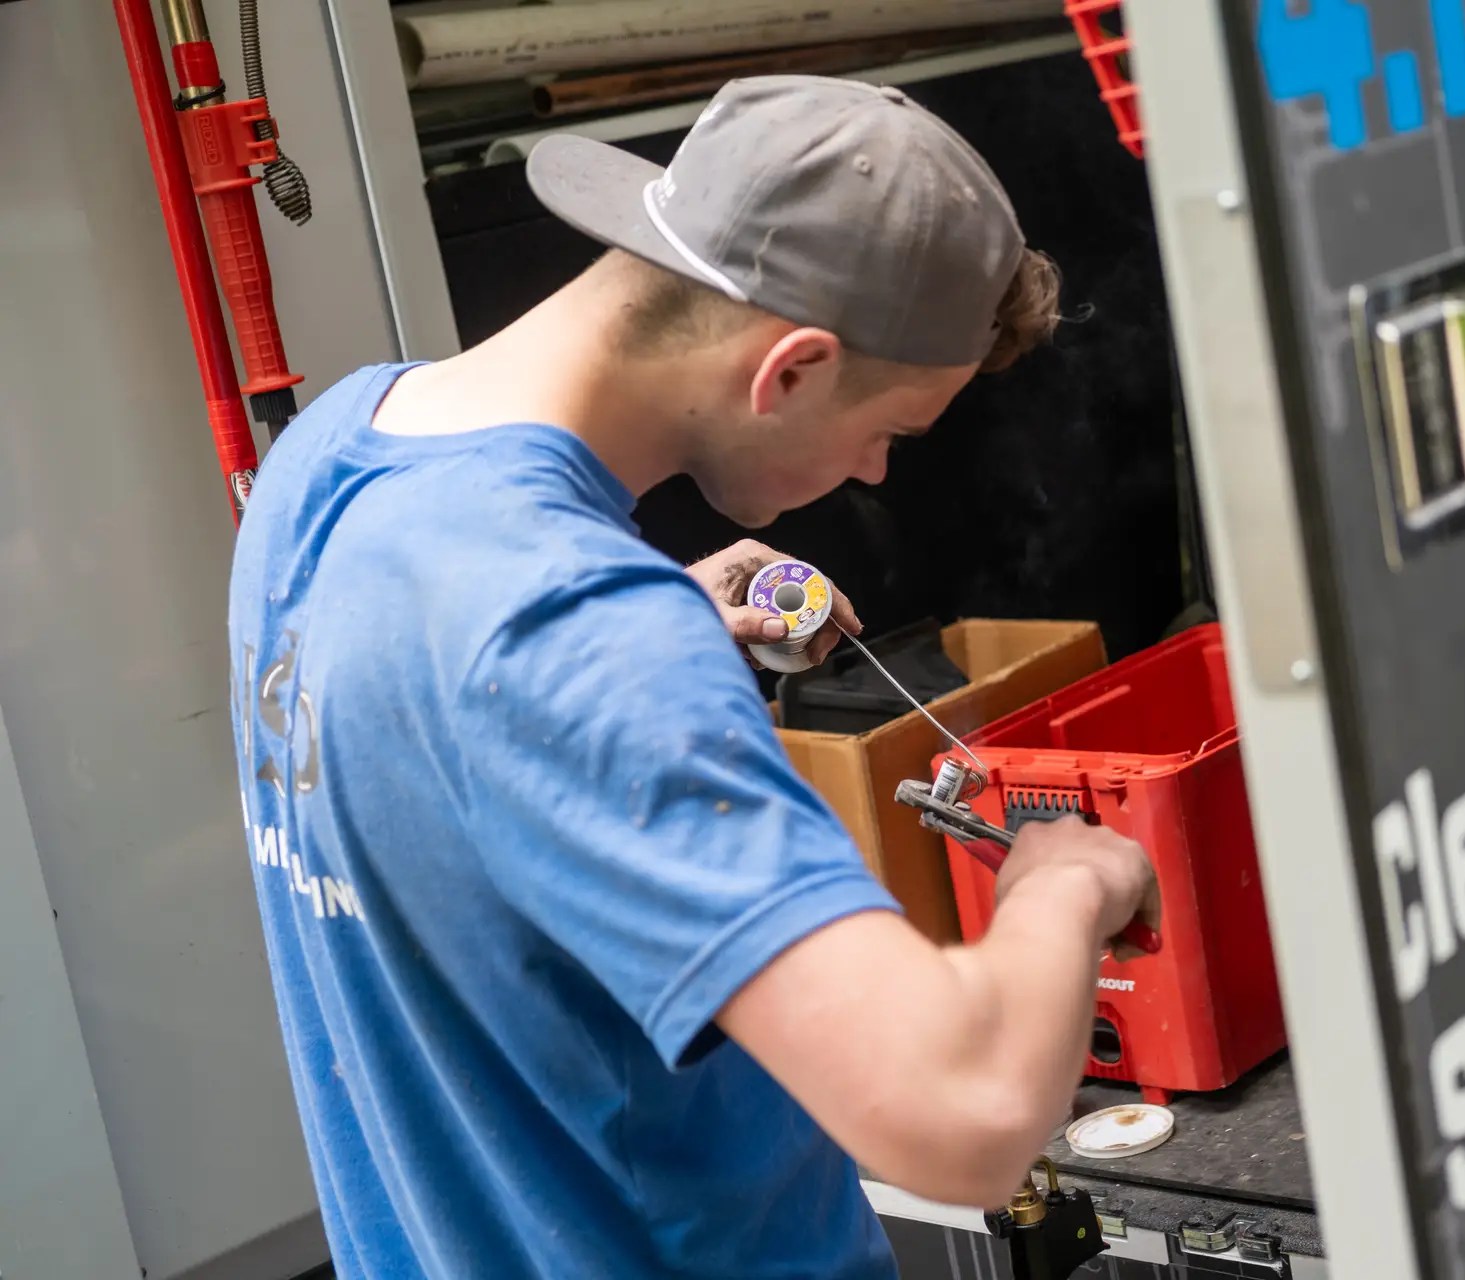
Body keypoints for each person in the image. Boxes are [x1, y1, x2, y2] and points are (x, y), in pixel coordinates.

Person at [226, 74, 1160, 1280]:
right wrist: (1062, 882)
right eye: (893, 433)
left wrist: (645, 630)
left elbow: (444, 764)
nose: (875, 476)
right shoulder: (586, 635)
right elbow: (966, 1115)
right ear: (792, 368)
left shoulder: (326, 460)